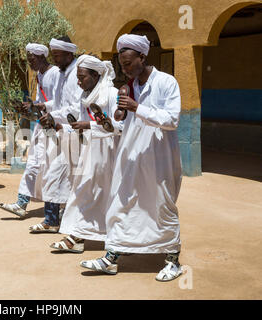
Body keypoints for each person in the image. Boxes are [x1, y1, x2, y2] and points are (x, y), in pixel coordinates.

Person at [80, 34, 184, 282]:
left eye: (128, 63)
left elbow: (172, 120)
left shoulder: (167, 82)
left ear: (142, 57)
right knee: (120, 204)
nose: (124, 69)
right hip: (130, 158)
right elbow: (124, 126)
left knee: (161, 207)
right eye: (121, 65)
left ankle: (173, 261)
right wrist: (109, 122)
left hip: (159, 160)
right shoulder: (129, 87)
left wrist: (138, 108)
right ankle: (111, 258)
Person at [49, 54, 123, 253]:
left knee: (98, 195)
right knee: (85, 193)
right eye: (78, 78)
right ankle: (78, 236)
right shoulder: (85, 97)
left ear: (96, 75)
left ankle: (81, 237)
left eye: (83, 77)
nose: (79, 82)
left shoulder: (111, 93)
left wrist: (88, 125)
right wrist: (61, 127)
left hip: (108, 153)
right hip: (90, 153)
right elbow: (80, 126)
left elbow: (119, 126)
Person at [29, 36, 83, 233]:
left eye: (58, 56)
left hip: (75, 133)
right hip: (59, 131)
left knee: (73, 179)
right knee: (54, 175)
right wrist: (45, 106)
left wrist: (54, 115)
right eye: (54, 55)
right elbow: (59, 102)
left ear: (69, 54)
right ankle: (53, 219)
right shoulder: (62, 73)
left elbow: (76, 108)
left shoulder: (78, 74)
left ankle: (62, 221)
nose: (55, 60)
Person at [0, 43, 59, 217]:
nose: (29, 63)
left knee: (54, 168)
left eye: (31, 59)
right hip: (42, 126)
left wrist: (38, 105)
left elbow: (60, 101)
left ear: (41, 57)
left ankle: (60, 208)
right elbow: (40, 102)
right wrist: (28, 109)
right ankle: (21, 204)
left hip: (56, 126)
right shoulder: (39, 75)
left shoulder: (55, 73)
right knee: (33, 163)